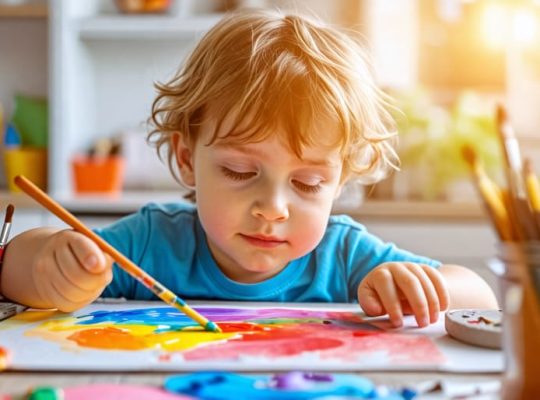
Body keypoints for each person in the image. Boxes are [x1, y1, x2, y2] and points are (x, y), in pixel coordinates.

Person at [0, 9, 497, 328]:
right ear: (187, 158)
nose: (273, 208)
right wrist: (49, 264)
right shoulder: (153, 242)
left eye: (308, 182)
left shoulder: (345, 255)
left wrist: (419, 287)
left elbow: (482, 297)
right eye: (240, 171)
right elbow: (12, 270)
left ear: (338, 182)